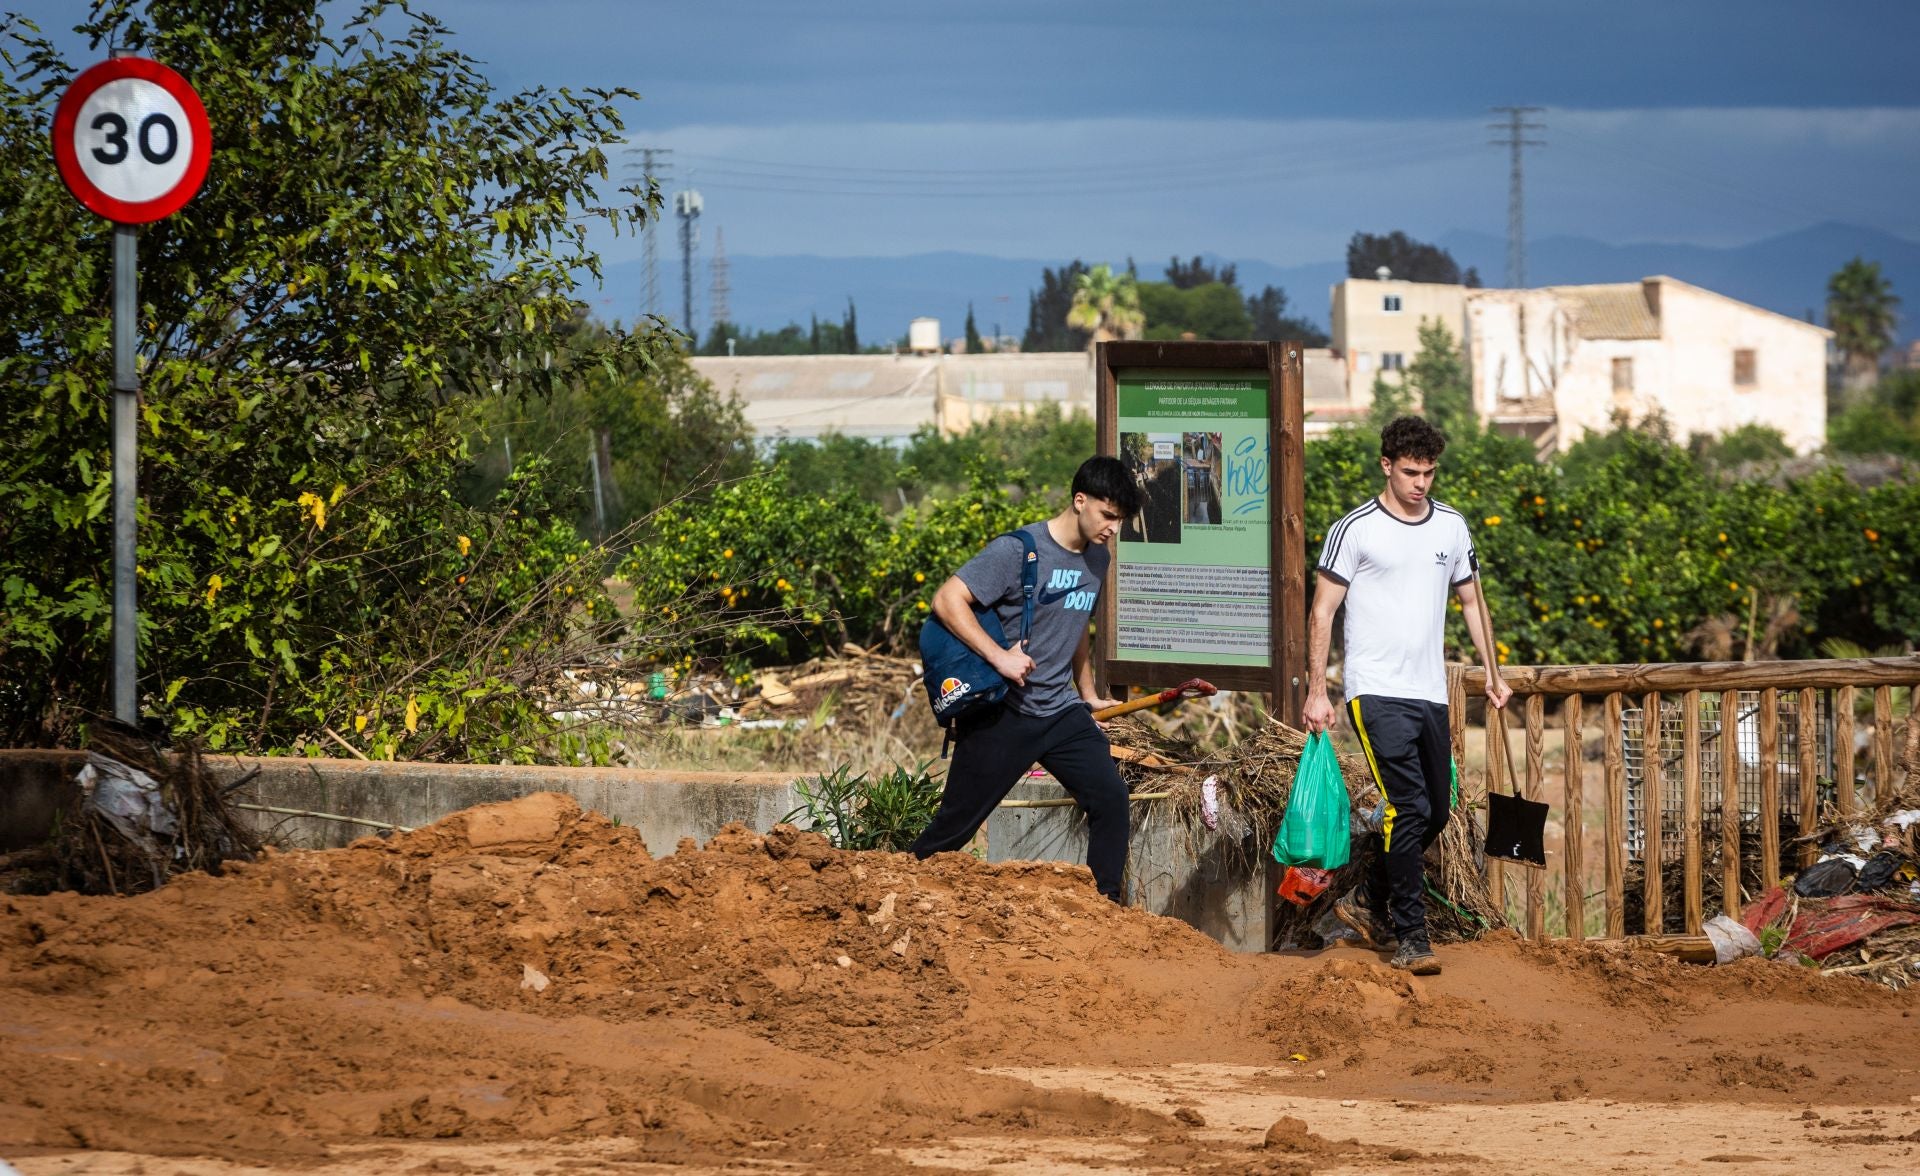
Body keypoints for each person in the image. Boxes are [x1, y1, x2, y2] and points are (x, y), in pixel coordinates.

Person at [1302, 415, 1511, 974]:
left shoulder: (1451, 526)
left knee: (1436, 810)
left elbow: (1472, 601)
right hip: (1373, 689)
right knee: (1406, 804)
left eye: (1430, 473)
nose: (1421, 483)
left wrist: (1493, 672)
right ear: (1387, 466)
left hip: (1429, 690)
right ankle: (1412, 937)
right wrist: (1318, 691)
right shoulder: (1356, 528)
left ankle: (1367, 899)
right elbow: (1322, 611)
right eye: (1412, 472)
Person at [909, 456, 1144, 902]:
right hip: (1006, 715)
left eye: (1121, 520)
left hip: (1060, 714)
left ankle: (1105, 910)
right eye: (1108, 515)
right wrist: (999, 656)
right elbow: (947, 599)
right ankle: (897, 893)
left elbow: (1077, 626)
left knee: (1110, 799)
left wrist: (1088, 694)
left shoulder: (1098, 558)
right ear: (1080, 500)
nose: (1113, 528)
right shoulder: (1017, 550)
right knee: (952, 830)